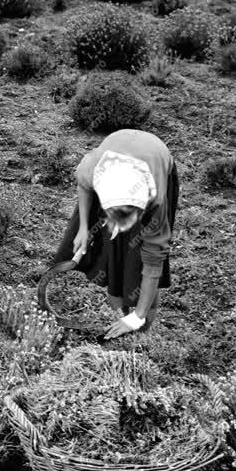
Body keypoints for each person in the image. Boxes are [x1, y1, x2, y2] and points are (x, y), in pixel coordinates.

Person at [49, 129, 179, 340]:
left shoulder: (156, 202)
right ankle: (118, 313)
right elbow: (83, 185)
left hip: (154, 157)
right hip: (118, 148)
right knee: (112, 251)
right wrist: (83, 227)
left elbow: (155, 260)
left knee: (139, 255)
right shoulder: (93, 170)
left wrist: (138, 317)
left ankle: (142, 330)